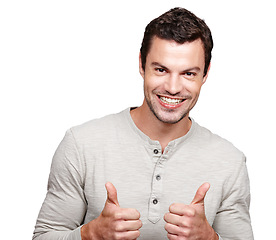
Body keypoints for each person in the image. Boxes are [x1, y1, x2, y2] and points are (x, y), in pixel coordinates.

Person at [33, 7, 254, 240]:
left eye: (188, 73)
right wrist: (90, 234)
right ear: (141, 64)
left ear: (205, 74)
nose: (173, 87)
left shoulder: (230, 161)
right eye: (161, 69)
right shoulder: (81, 144)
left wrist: (210, 238)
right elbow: (44, 236)